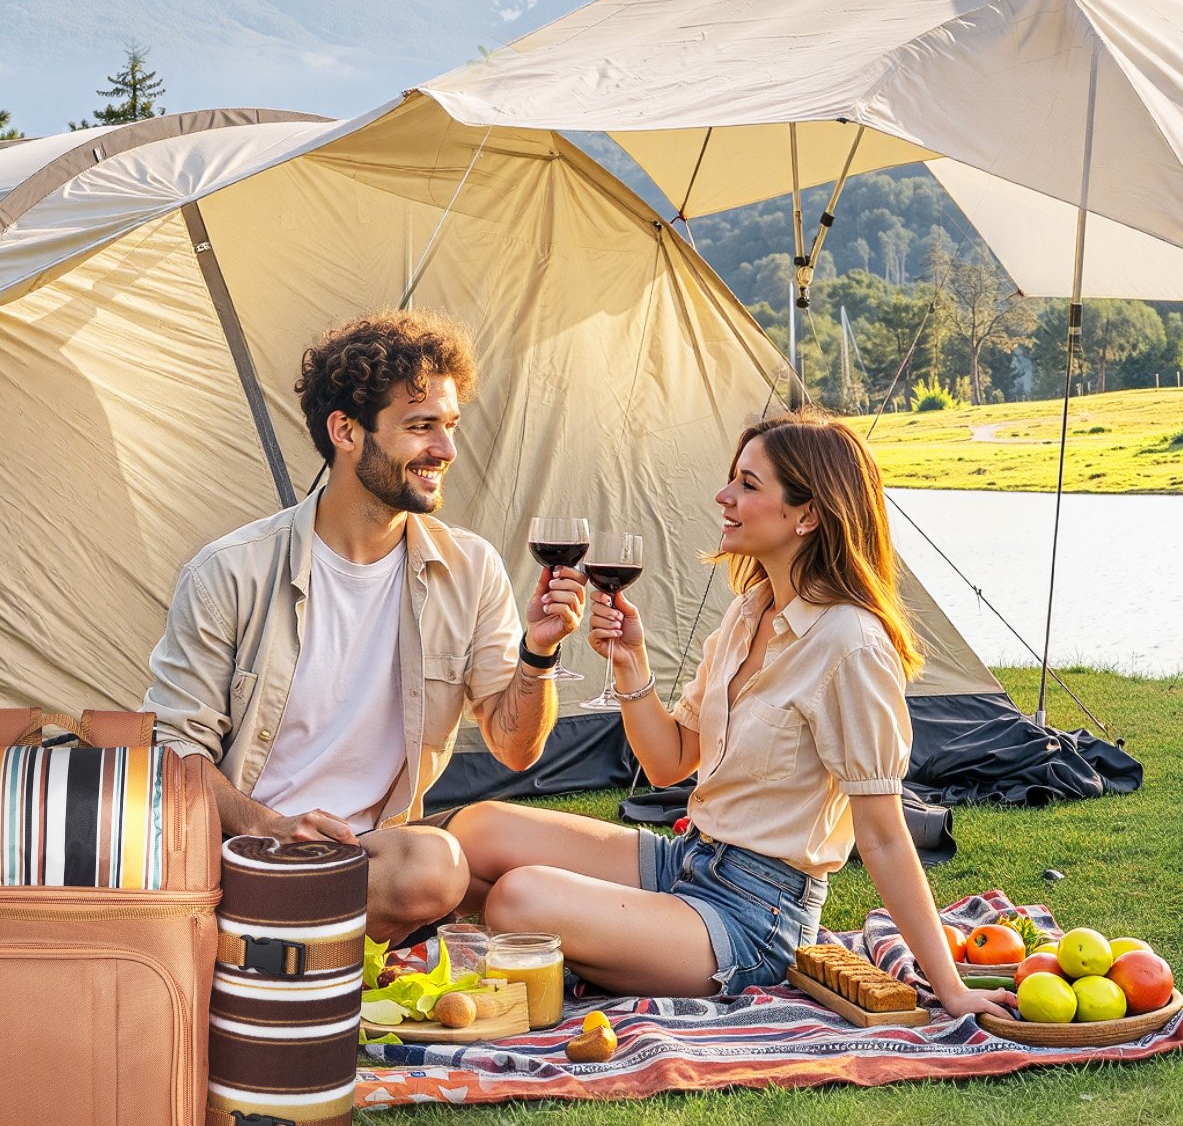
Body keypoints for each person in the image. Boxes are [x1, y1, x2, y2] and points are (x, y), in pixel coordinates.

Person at [451, 409, 1015, 1018]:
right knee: (478, 831)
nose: (724, 496)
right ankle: (551, 947)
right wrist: (631, 664)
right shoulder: (749, 611)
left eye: (748, 484)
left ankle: (578, 947)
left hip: (756, 915)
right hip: (688, 858)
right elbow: (669, 763)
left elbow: (881, 835)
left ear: (807, 515)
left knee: (519, 900)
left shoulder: (851, 645)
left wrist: (949, 988)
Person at [143, 309, 585, 942]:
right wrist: (269, 827)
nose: (446, 450)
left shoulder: (471, 568)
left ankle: (286, 944)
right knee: (436, 870)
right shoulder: (230, 572)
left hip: (373, 853)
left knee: (512, 854)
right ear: (345, 431)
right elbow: (171, 753)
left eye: (450, 427)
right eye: (421, 427)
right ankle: (281, 945)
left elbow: (517, 749)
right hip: (248, 853)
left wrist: (537, 655)